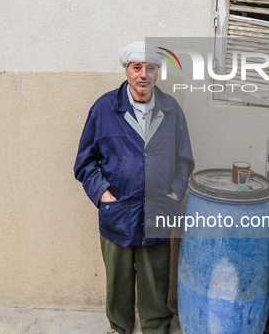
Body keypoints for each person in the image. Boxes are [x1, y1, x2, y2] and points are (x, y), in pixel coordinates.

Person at [74, 41, 194, 334]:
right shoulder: (104, 108)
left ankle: (156, 327)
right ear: (126, 70)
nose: (143, 74)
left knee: (155, 279)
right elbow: (84, 162)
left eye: (150, 68)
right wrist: (104, 196)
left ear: (157, 72)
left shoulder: (171, 110)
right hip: (118, 210)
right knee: (118, 279)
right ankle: (119, 327)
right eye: (136, 67)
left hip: (158, 210)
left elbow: (184, 161)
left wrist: (174, 194)